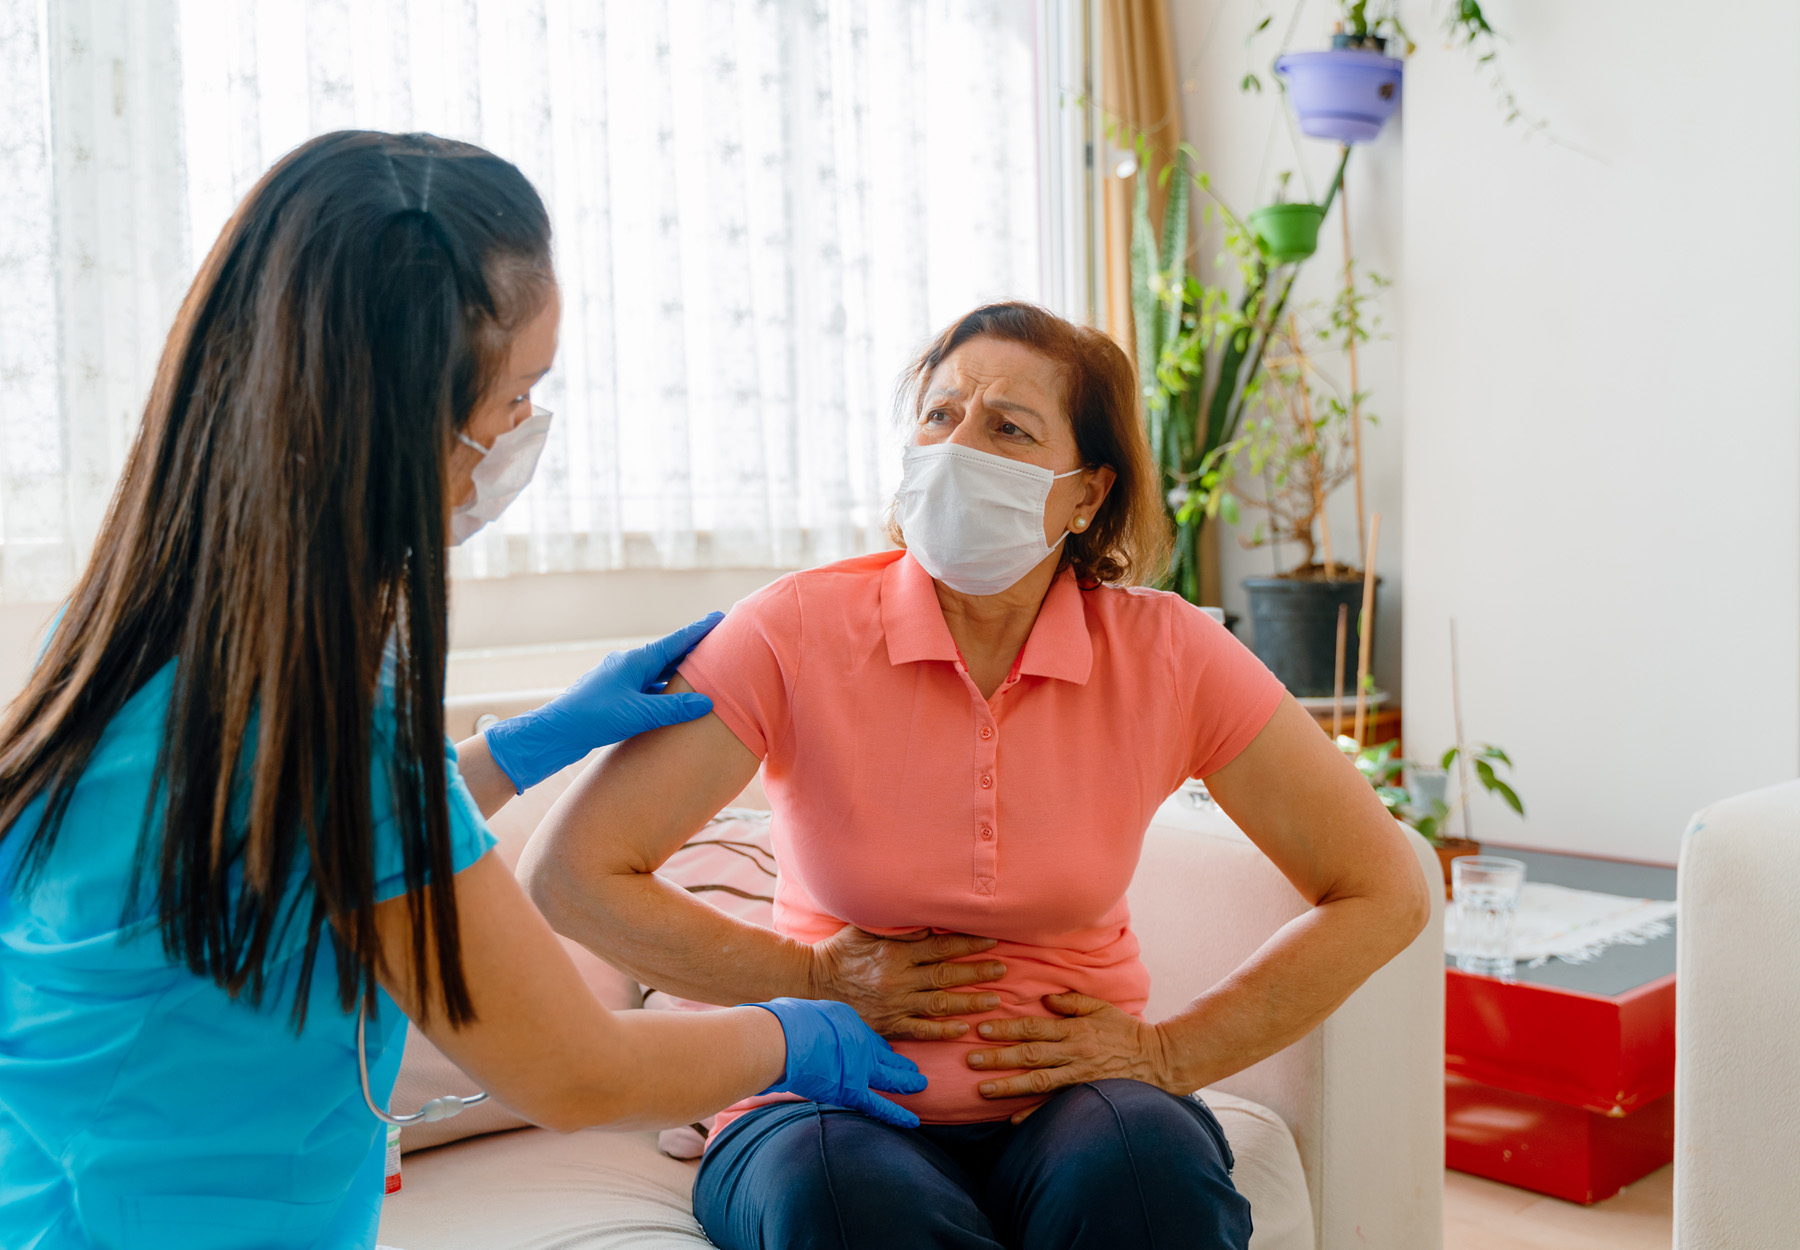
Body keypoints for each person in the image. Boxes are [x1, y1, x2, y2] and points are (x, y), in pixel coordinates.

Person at [0, 131, 919, 1250]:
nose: (521, 433)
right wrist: (799, 1031)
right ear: (395, 423)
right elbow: (576, 1070)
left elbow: (299, 849)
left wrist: (527, 746)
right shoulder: (337, 733)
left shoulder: (119, 643)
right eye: (517, 393)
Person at [521, 302, 1434, 1250]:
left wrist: (1172, 1052)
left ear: (1087, 495)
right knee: (848, 1203)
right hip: (824, 1105)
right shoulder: (792, 630)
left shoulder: (1170, 653)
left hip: (1075, 1103)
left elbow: (1383, 890)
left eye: (1007, 428)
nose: (958, 445)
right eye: (939, 414)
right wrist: (812, 975)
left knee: (1149, 1178)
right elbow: (572, 875)